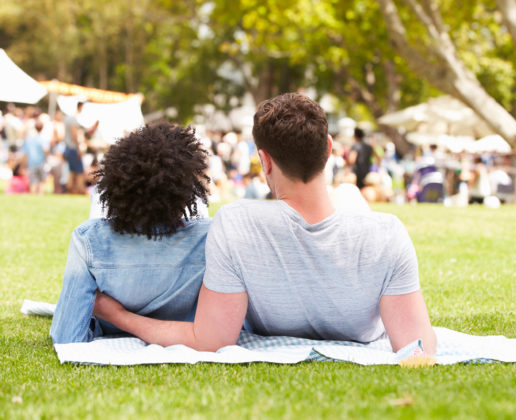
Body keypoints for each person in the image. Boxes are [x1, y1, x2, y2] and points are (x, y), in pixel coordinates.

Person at [94, 93, 437, 355]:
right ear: (329, 148)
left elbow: (210, 340)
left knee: (347, 194)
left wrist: (121, 317)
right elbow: (418, 346)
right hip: (356, 244)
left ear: (264, 161)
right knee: (347, 195)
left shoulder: (236, 223)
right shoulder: (388, 234)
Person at [50, 122, 211, 343]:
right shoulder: (211, 236)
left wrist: (112, 317)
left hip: (111, 329)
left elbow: (66, 337)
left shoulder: (89, 239)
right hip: (184, 332)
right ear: (187, 187)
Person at [63, 101, 98, 194]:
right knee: (79, 172)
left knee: (71, 171)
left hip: (67, 148)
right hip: (73, 148)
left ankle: (69, 189)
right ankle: (81, 191)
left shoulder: (67, 118)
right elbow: (74, 134)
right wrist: (79, 148)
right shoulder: (73, 119)